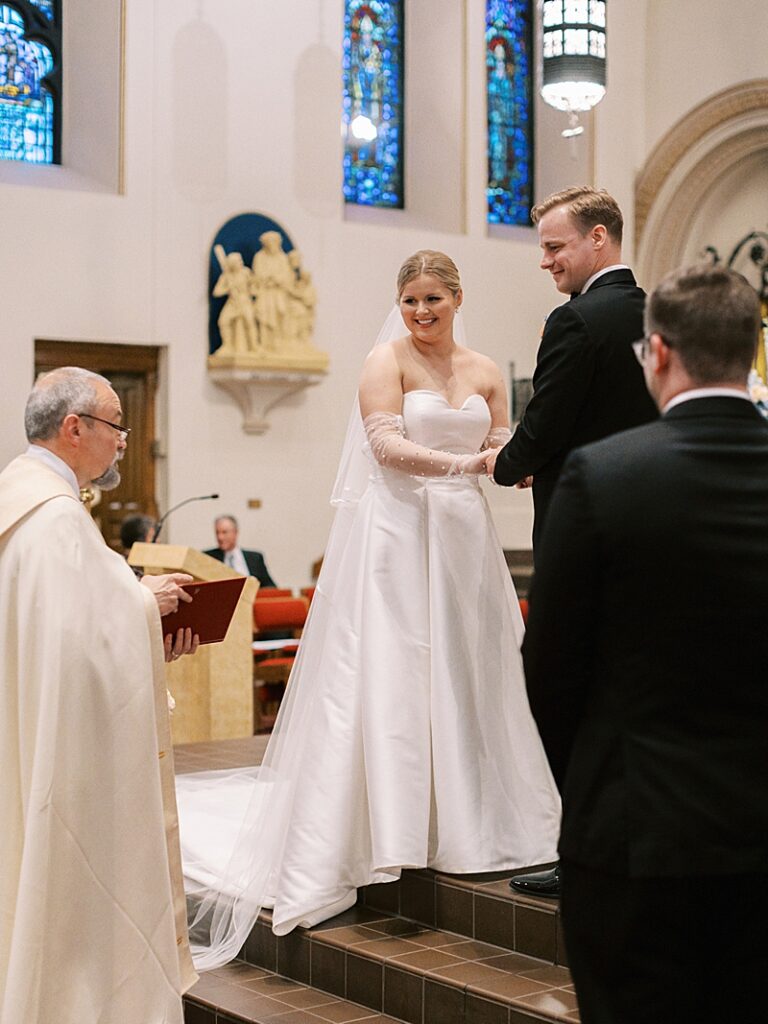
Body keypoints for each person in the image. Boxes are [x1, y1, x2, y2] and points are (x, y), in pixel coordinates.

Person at [176, 250, 561, 969]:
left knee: (470, 666)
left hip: (463, 537)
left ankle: (476, 814)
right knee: (398, 664)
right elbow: (385, 446)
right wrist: (468, 466)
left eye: (433, 301)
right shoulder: (385, 360)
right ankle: (391, 823)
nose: (421, 313)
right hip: (397, 529)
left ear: (456, 298)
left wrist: (518, 458)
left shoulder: (481, 369)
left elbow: (502, 440)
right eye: (411, 300)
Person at [523, 264, 768, 1024]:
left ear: (656, 352)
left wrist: (594, 784)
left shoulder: (604, 474)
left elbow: (551, 669)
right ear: (753, 351)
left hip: (634, 833)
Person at [0, 367, 199, 1022]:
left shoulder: (17, 498)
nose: (123, 442)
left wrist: (136, 610)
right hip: (68, 754)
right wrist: (148, 603)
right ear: (74, 427)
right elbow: (79, 643)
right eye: (116, 425)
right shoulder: (54, 519)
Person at [487, 186, 659, 899]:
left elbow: (546, 422)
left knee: (563, 684)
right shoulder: (656, 314)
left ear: (599, 240)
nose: (546, 262)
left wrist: (508, 463)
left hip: (581, 534)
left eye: (556, 246)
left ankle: (583, 846)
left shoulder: (576, 321)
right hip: (651, 531)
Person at [204, 514, 276, 588]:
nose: (220, 537)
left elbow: (270, 587)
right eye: (217, 533)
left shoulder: (255, 558)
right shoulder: (208, 557)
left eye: (224, 532)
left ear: (235, 533)